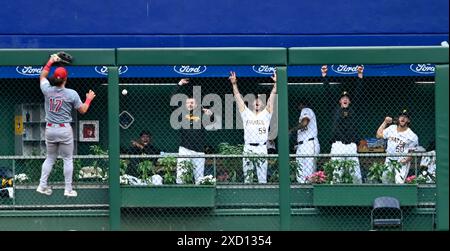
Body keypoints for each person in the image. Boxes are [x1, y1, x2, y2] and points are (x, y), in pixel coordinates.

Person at [36, 54, 96, 197]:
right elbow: (83, 110)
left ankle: (42, 185)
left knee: (50, 158)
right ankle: (68, 189)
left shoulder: (47, 90)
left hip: (50, 129)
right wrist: (88, 99)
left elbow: (42, 76)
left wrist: (51, 61)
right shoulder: (71, 93)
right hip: (64, 129)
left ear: (55, 78)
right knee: (67, 159)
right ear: (65, 79)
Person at [229, 71, 276, 184]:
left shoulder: (266, 113)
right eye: (255, 101)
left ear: (263, 104)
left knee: (262, 178)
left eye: (260, 101)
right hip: (248, 148)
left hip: (261, 148)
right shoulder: (246, 113)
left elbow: (272, 98)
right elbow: (238, 98)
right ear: (251, 103)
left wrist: (276, 85)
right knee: (248, 178)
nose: (257, 102)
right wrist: (234, 84)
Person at [324, 65, 363, 183]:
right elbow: (328, 94)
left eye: (347, 98)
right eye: (343, 98)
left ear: (349, 101)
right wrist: (325, 77)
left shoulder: (353, 109)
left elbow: (358, 94)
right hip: (338, 145)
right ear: (340, 101)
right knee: (336, 173)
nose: (345, 99)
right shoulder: (335, 109)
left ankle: (358, 194)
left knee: (355, 173)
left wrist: (360, 77)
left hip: (351, 145)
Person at [173, 78, 214, 184]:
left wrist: (210, 114)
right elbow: (172, 98)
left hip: (199, 150)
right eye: (188, 103)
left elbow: (212, 120)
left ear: (196, 105)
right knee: (180, 176)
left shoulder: (201, 113)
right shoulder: (181, 113)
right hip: (184, 149)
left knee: (199, 178)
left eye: (192, 103)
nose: (190, 104)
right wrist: (180, 84)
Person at [376, 110, 419, 184]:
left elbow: (412, 152)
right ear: (398, 118)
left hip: (401, 160)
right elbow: (378, 135)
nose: (403, 118)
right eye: (401, 116)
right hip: (389, 158)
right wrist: (385, 122)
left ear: (408, 120)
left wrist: (405, 160)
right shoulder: (391, 128)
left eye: (405, 117)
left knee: (399, 182)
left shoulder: (412, 136)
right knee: (385, 180)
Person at [292, 101, 320, 183]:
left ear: (301, 104)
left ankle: (308, 191)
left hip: (309, 144)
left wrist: (291, 130)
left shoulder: (306, 110)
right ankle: (302, 188)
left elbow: (304, 123)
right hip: (302, 145)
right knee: (300, 170)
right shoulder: (304, 112)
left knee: (309, 171)